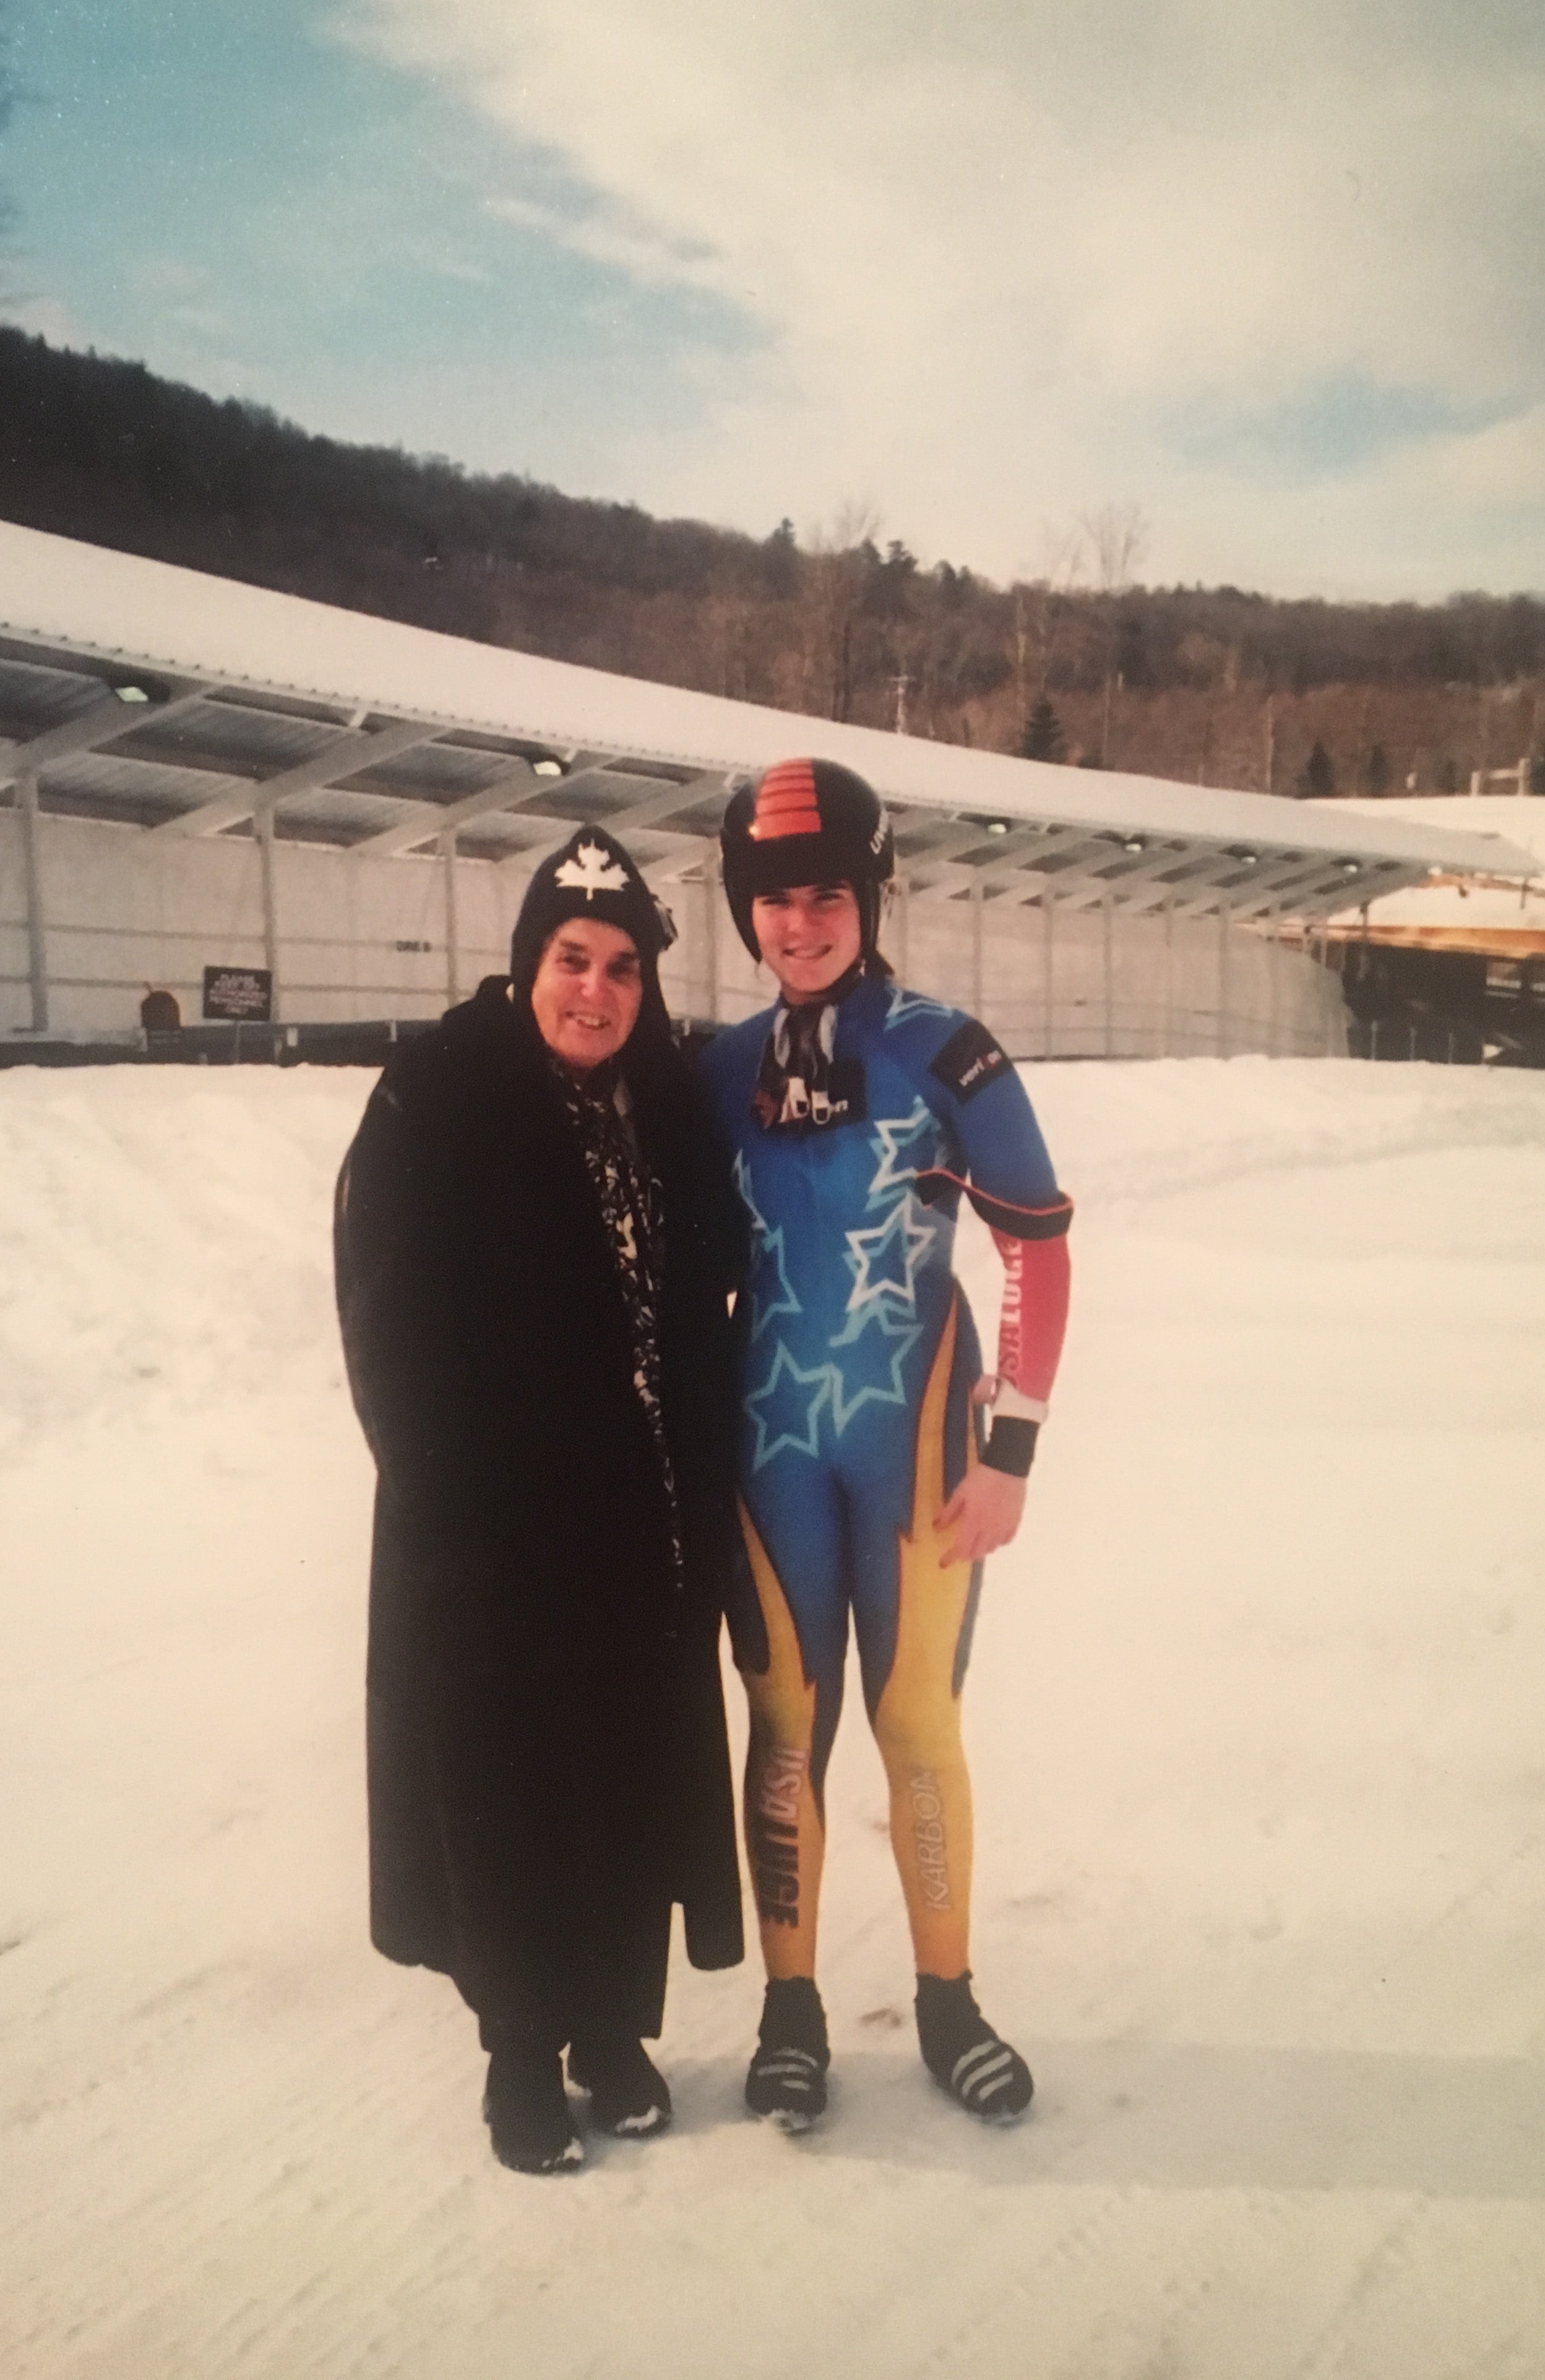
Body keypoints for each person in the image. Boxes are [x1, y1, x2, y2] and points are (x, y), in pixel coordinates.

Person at [334, 824, 746, 2175]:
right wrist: (452, 1512)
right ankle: (520, 2050)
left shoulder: (667, 1097)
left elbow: (713, 1294)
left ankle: (612, 2031)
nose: (596, 990)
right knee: (509, 1789)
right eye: (572, 959)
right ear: (527, 964)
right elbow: (385, 1326)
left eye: (623, 967)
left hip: (642, 1523)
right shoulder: (439, 1095)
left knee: (628, 1779)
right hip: (493, 1532)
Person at [700, 758, 1073, 2131]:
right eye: (771, 901)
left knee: (914, 1720)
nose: (798, 925)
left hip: (918, 1440)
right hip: (769, 1446)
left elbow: (1039, 1246)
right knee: (783, 1727)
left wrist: (1012, 1450)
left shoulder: (944, 1049)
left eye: (825, 897)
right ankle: (791, 2011)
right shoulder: (716, 1069)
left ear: (870, 896)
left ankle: (948, 2000)